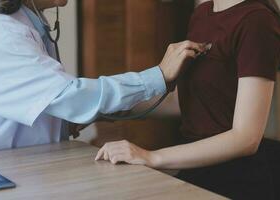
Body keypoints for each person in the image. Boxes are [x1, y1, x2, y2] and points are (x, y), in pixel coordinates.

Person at [0, 0, 208, 156]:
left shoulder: (28, 25)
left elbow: (49, 101)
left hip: (16, 163)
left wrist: (66, 121)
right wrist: (158, 75)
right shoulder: (3, 34)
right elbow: (70, 97)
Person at [95, 0, 280, 199]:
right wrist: (106, 109)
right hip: (195, 173)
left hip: (236, 181)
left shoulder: (257, 21)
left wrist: (151, 156)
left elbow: (246, 138)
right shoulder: (202, 14)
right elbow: (191, 103)